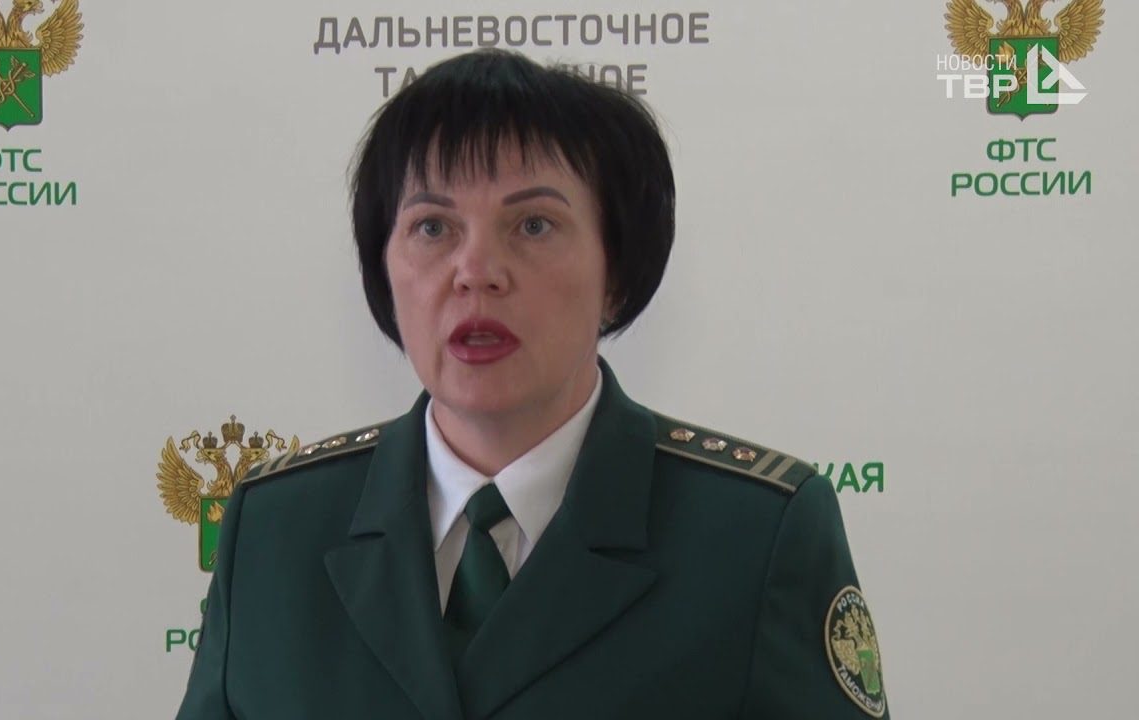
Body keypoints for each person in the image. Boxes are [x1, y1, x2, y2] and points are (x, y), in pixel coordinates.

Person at [175, 48, 890, 720]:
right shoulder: (275, 528)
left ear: (617, 274)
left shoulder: (754, 536)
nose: (476, 271)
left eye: (534, 225)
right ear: (383, 269)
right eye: (433, 227)